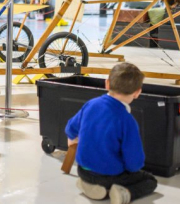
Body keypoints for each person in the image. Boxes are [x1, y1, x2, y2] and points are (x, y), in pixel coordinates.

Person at [65, 63, 157, 204]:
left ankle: (89, 185)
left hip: (83, 170)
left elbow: (70, 129)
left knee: (97, 172)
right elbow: (134, 163)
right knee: (149, 180)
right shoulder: (127, 121)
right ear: (138, 92)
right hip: (110, 175)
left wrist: (73, 140)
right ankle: (125, 194)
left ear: (107, 84)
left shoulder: (90, 104)